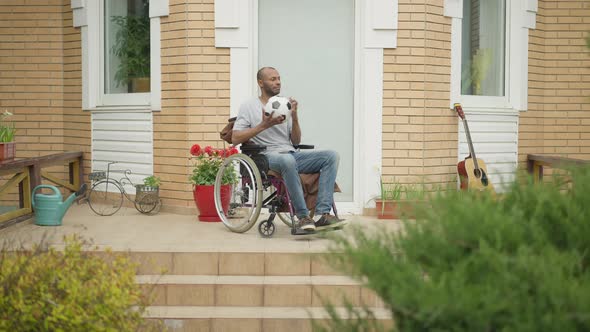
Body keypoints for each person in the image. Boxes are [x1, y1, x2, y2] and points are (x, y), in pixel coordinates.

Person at [232, 67, 345, 232]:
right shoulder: (249, 106)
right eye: (272, 79)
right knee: (287, 160)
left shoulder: (284, 104)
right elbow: (235, 138)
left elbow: (296, 141)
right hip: (265, 156)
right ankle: (303, 216)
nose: (278, 82)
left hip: (291, 153)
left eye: (278, 78)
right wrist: (264, 125)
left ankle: (322, 215)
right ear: (260, 83)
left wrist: (295, 116)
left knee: (331, 156)